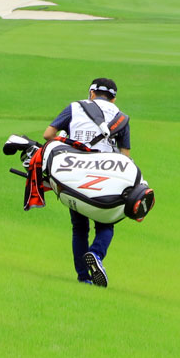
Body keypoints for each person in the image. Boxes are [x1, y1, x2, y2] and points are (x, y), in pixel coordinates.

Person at [42, 78, 131, 287]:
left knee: (80, 228)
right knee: (106, 223)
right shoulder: (121, 118)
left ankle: (84, 277)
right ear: (114, 98)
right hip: (105, 177)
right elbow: (125, 158)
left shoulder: (75, 107)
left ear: (91, 93)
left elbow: (48, 135)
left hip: (75, 174)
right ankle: (96, 254)